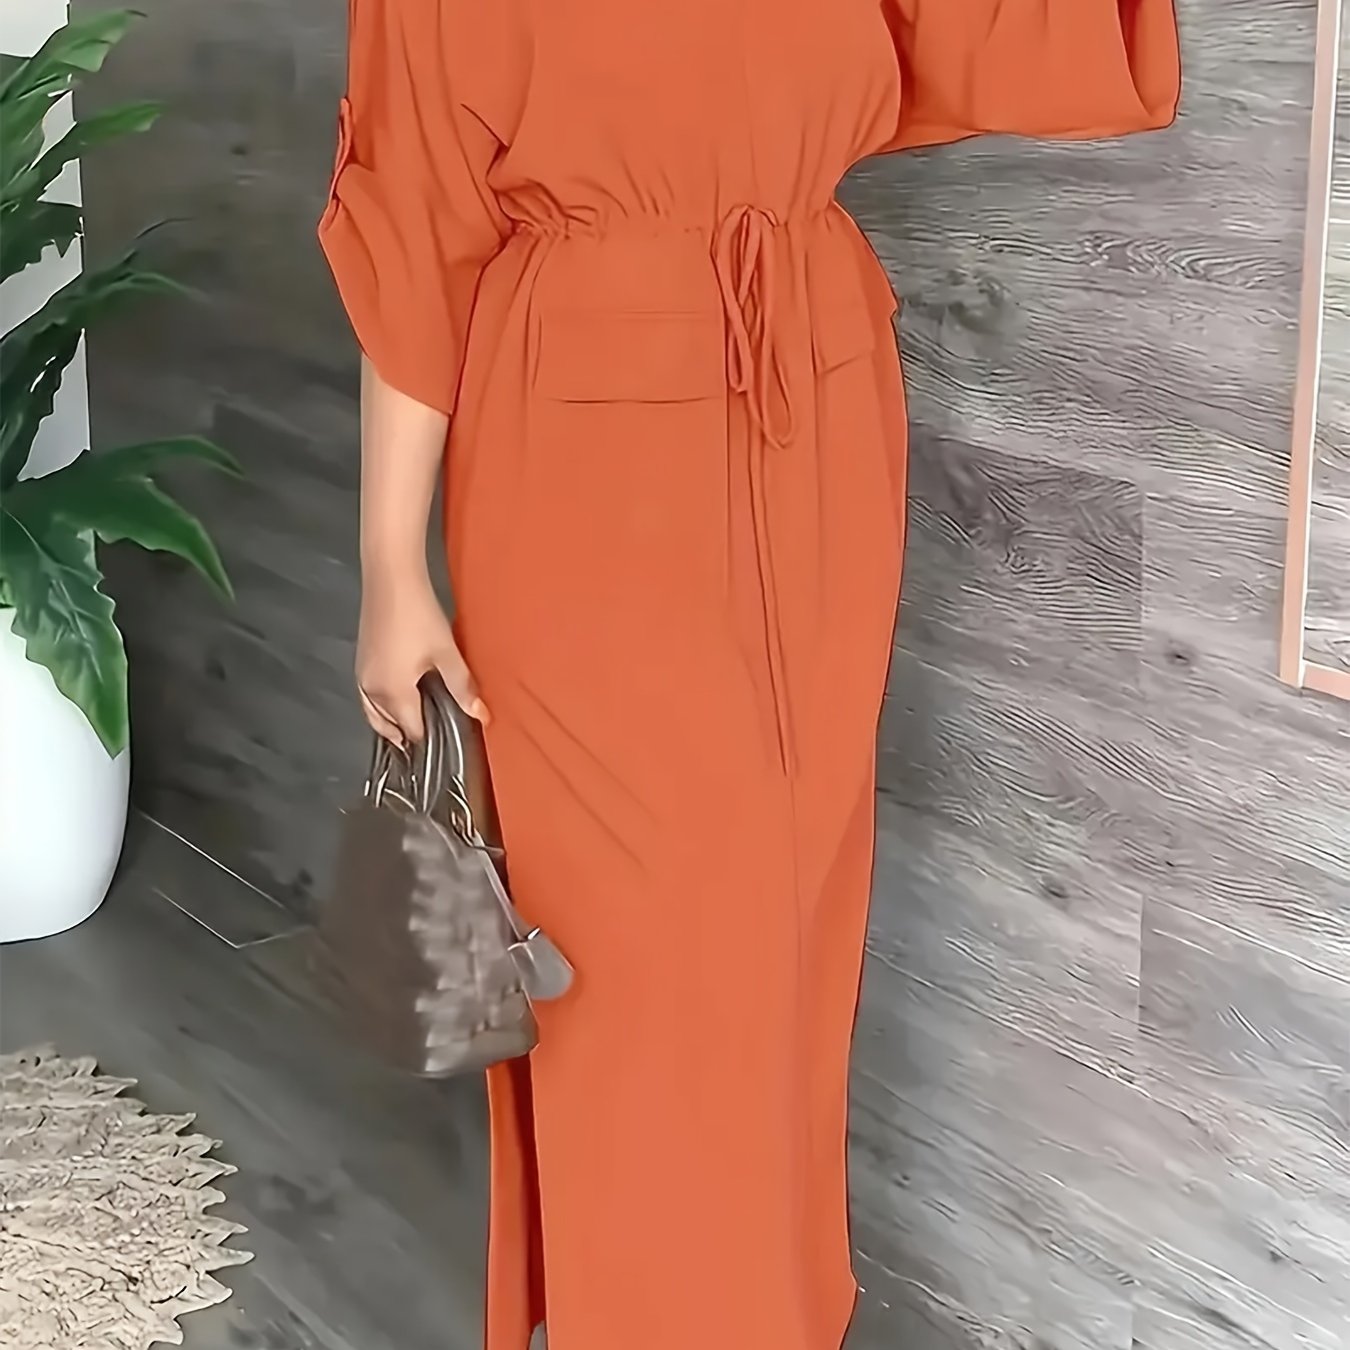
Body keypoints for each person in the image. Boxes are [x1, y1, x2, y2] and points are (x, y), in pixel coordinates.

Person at [318, 3, 1181, 1348]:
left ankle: (762, 1310)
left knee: (790, 923)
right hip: (590, 443)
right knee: (631, 942)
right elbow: (416, 214)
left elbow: (967, 37)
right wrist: (389, 565)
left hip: (815, 392)